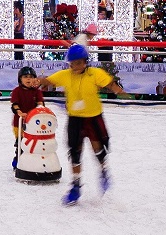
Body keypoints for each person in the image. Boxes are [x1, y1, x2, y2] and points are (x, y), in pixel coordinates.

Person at [42, 43, 122, 204]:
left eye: (78, 62)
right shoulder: (65, 75)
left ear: (85, 62)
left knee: (97, 147)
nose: (75, 66)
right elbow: (49, 81)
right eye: (72, 63)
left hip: (93, 118)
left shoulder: (94, 73)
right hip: (75, 119)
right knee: (75, 152)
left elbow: (109, 82)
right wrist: (39, 81)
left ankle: (104, 172)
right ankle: (76, 185)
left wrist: (117, 89)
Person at [8, 65, 44, 171]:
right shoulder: (17, 91)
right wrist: (20, 112)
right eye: (25, 77)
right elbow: (15, 104)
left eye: (31, 77)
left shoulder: (37, 91)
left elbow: (40, 103)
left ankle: (33, 162)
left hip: (34, 123)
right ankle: (18, 159)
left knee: (34, 143)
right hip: (19, 123)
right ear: (20, 79)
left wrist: (40, 109)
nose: (28, 79)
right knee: (21, 143)